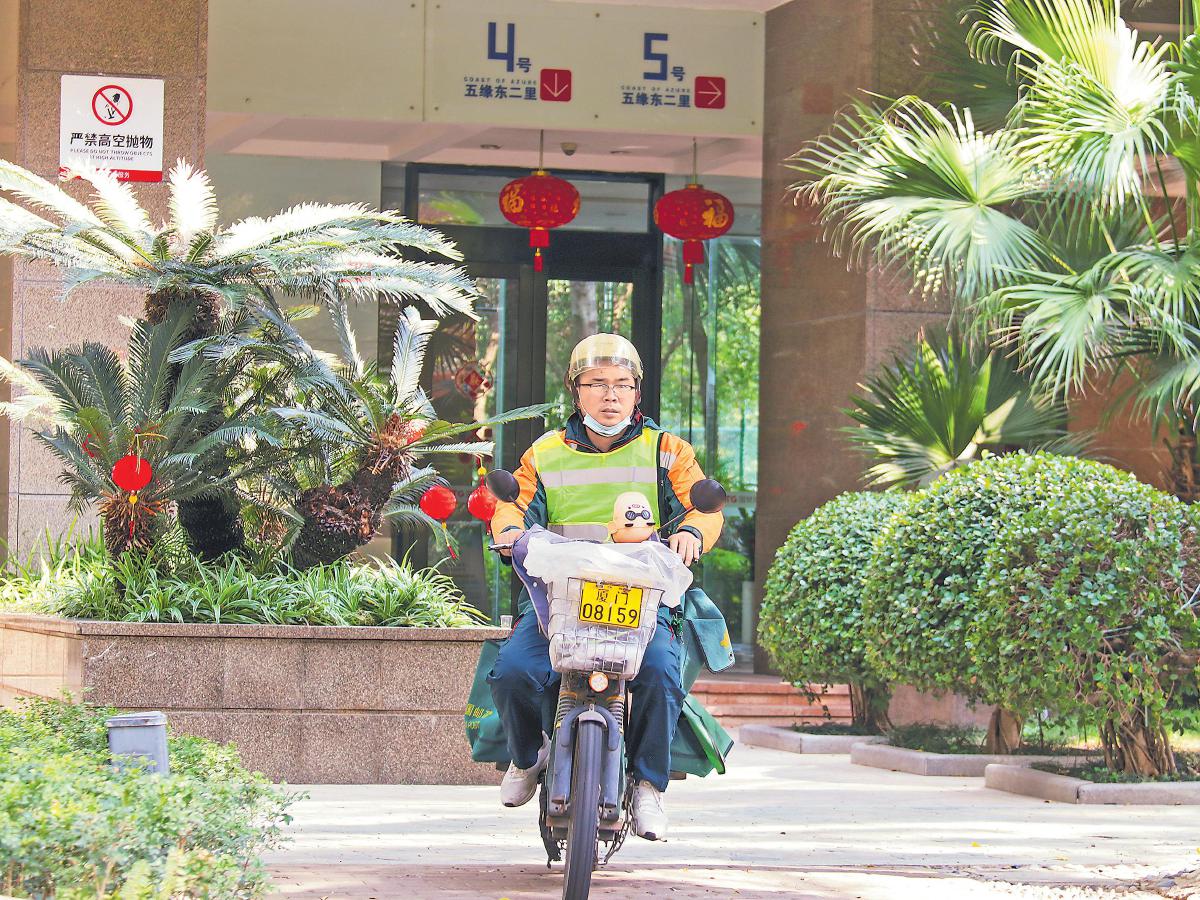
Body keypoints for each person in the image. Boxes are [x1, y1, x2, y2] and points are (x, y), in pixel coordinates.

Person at [488, 333, 723, 841]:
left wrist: (692, 533)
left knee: (660, 674)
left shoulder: (668, 451)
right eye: (597, 383)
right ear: (576, 391)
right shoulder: (545, 452)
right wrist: (507, 532)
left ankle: (649, 785)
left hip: (641, 600)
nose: (610, 395)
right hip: (560, 599)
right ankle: (528, 757)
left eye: (622, 384)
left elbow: (702, 510)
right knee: (511, 673)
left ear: (637, 392)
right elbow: (512, 506)